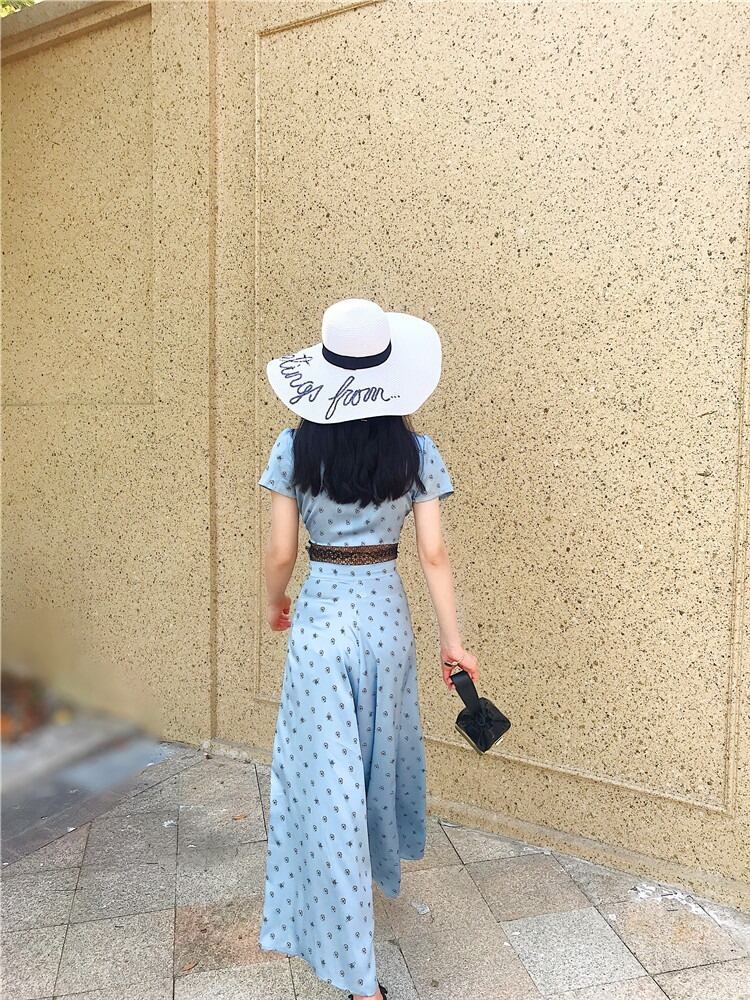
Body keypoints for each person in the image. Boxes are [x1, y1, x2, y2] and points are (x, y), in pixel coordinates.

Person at [256, 297, 479, 1000]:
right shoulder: (416, 452)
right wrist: (454, 643)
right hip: (386, 619)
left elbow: (281, 551)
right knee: (376, 761)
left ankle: (357, 975)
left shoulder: (295, 448)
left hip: (322, 619)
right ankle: (369, 888)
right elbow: (434, 555)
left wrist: (274, 601)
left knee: (324, 784)